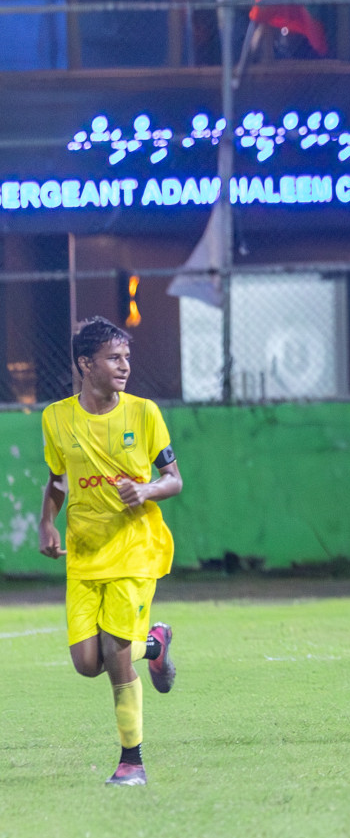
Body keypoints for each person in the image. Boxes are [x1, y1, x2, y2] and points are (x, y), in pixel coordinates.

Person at [38, 317, 181, 786]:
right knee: (87, 663)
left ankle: (132, 761)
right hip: (83, 552)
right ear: (85, 363)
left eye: (126, 358)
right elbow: (58, 480)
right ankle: (155, 645)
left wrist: (147, 491)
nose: (125, 366)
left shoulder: (144, 413)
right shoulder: (57, 418)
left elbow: (174, 479)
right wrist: (46, 521)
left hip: (135, 549)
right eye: (113, 359)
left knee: (117, 656)